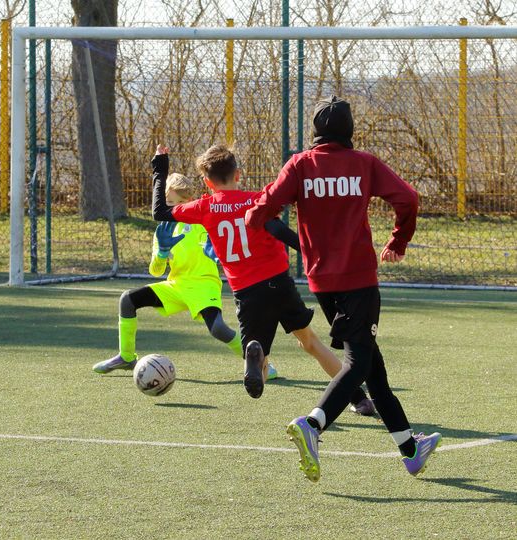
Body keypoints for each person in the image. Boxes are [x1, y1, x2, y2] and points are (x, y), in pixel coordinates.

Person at [245, 95, 441, 480]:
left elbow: (259, 214)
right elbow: (408, 198)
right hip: (359, 279)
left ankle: (410, 449)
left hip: (322, 282)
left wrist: (269, 214)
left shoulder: (300, 165)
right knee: (358, 362)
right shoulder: (363, 163)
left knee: (372, 366)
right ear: (350, 130)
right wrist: (398, 241)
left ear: (315, 130)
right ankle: (313, 424)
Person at [152, 143, 374, 411]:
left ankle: (256, 356)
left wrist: (160, 166)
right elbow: (278, 230)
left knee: (260, 357)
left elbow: (159, 211)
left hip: (247, 293)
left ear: (208, 182)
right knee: (310, 342)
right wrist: (312, 252)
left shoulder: (204, 207)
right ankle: (359, 399)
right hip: (279, 283)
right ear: (238, 174)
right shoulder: (257, 201)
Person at [92, 171, 275, 376]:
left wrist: (217, 253)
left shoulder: (204, 222)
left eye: (178, 203)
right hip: (176, 285)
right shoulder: (164, 230)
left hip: (204, 285)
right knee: (127, 300)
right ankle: (126, 357)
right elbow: (156, 271)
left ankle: (260, 364)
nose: (172, 208)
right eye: (168, 202)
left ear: (189, 202)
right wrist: (162, 252)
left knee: (218, 329)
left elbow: (227, 248)